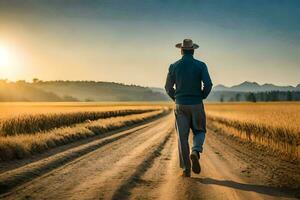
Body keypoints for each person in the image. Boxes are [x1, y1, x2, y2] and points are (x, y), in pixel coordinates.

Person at [165, 39, 213, 177]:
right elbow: (208, 84)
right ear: (193, 50)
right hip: (196, 104)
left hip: (180, 105)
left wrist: (176, 98)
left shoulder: (174, 66)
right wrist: (201, 96)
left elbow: (168, 87)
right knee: (200, 131)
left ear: (181, 50)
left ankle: (186, 169)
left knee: (182, 137)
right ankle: (196, 151)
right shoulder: (201, 65)